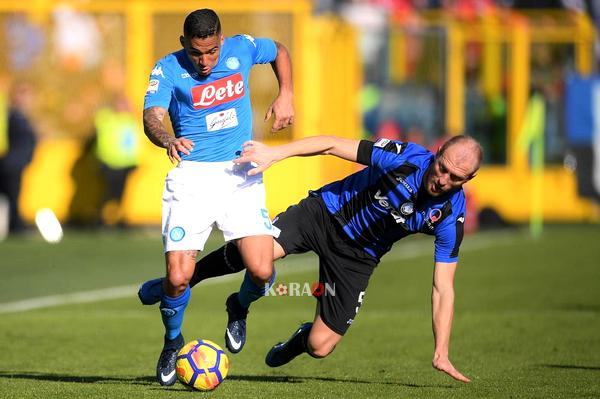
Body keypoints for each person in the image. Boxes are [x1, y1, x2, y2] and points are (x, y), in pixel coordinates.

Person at [142, 134, 481, 383]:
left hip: (358, 258)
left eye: (455, 178)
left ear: (468, 180)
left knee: (321, 346)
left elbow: (443, 288)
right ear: (436, 155)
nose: (443, 179)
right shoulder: (405, 157)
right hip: (321, 215)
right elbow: (332, 143)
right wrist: (277, 154)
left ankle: (289, 336)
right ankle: (187, 281)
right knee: (257, 257)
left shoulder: (451, 215)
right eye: (442, 168)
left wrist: (441, 351)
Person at [137, 9, 294, 386]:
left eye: (210, 52)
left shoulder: (241, 49)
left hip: (240, 172)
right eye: (196, 54)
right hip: (192, 177)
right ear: (183, 45)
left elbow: (280, 51)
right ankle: (173, 342)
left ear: (221, 41)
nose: (204, 62)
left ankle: (238, 305)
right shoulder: (168, 69)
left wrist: (286, 93)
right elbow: (152, 117)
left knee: (261, 270)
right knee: (178, 277)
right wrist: (169, 138)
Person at [0, 82, 38, 234]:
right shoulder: (12, 116)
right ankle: (15, 226)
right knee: (11, 196)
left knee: (13, 196)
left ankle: (14, 225)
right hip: (10, 163)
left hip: (16, 162)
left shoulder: (21, 116)